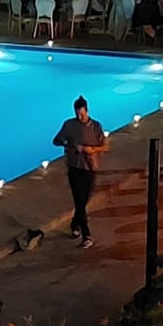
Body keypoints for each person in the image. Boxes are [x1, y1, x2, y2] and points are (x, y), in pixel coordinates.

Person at [52, 95, 108, 249]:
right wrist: (70, 144)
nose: (79, 116)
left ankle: (74, 223)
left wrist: (92, 150)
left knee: (84, 200)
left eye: (81, 114)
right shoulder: (69, 125)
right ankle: (87, 234)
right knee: (79, 201)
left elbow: (105, 146)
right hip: (75, 168)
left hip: (90, 168)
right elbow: (56, 140)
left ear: (87, 111)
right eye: (77, 113)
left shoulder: (96, 127)